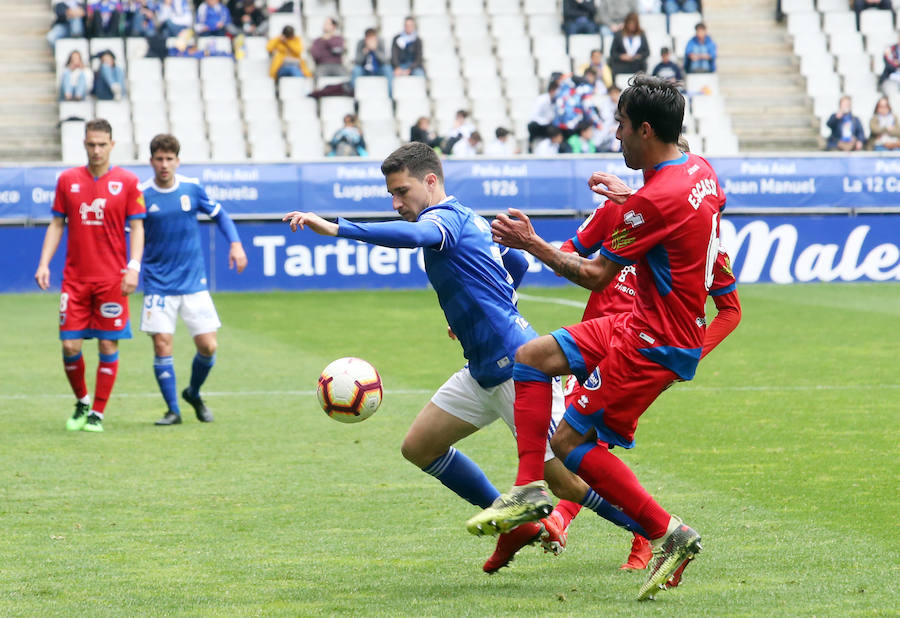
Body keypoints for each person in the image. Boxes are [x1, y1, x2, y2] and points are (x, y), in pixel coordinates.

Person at [283, 142, 620, 575]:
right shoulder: (471, 219)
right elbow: (513, 260)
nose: (396, 202)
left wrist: (335, 228)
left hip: (517, 367)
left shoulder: (441, 220)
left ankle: (652, 531)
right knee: (419, 447)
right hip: (481, 368)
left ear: (430, 181)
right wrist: (490, 303)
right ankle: (515, 525)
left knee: (563, 477)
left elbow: (415, 237)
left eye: (402, 191)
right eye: (391, 194)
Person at [467, 75, 726, 601]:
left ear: (647, 129)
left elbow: (592, 275)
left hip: (654, 340)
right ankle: (527, 490)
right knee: (531, 357)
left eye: (623, 125)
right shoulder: (698, 169)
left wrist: (530, 241)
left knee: (569, 444)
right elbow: (677, 209)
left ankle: (666, 532)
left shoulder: (648, 204)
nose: (616, 136)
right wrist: (634, 199)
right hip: (639, 321)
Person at [34, 118, 146, 433]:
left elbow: (137, 227)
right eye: (91, 144)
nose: (96, 150)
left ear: (112, 145)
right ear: (84, 144)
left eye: (101, 144)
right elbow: (57, 224)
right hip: (75, 280)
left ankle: (97, 412)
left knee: (108, 346)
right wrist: (44, 263)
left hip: (113, 280)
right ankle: (82, 400)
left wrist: (134, 267)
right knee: (70, 346)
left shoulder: (127, 182)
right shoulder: (67, 179)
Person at [139, 134, 248, 426]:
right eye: (159, 159)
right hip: (158, 283)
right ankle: (173, 410)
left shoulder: (192, 188)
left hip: (192, 282)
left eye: (169, 159)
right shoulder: (140, 194)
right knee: (162, 344)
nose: (164, 165)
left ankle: (193, 392)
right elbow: (129, 234)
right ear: (151, 161)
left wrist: (235, 244)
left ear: (177, 160)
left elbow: (221, 215)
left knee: (208, 346)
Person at [608, 11, 649, 78]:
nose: (631, 26)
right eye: (630, 24)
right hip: (622, 64)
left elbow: (647, 52)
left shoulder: (641, 34)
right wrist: (621, 56)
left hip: (636, 64)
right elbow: (613, 52)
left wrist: (638, 56)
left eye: (634, 24)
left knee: (643, 66)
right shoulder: (618, 35)